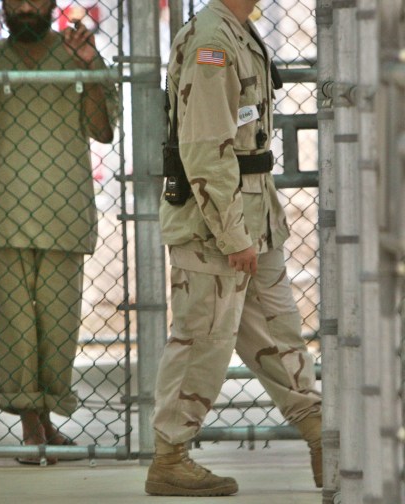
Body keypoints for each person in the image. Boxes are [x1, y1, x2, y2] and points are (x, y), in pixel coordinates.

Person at [145, 0, 322, 496]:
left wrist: (248, 231)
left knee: (278, 328)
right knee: (203, 336)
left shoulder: (237, 29)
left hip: (252, 216)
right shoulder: (212, 41)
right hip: (216, 225)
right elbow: (204, 147)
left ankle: (319, 432)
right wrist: (233, 235)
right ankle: (170, 458)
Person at [0, 0, 117, 464]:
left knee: (58, 327)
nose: (25, 7)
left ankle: (43, 422)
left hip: (63, 213)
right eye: (16, 0)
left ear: (51, 5)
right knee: (13, 326)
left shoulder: (76, 53)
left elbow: (103, 131)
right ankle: (31, 428)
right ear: (3, 5)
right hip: (0, 215)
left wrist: (91, 72)